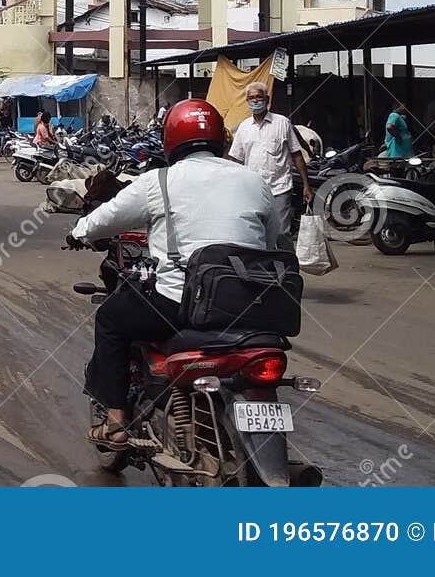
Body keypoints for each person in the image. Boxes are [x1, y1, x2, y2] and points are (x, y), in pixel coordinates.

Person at [71, 99, 281, 450]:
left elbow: (106, 219)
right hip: (251, 306)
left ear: (170, 140)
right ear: (220, 138)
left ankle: (116, 422)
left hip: (181, 303)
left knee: (110, 319)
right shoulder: (254, 180)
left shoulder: (158, 181)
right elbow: (272, 241)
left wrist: (79, 232)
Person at [227, 81, 310, 246]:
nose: (256, 101)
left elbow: (296, 155)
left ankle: (288, 268)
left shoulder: (282, 123)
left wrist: (306, 185)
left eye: (259, 97)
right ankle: (266, 268)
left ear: (267, 99)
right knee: (256, 233)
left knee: (281, 233)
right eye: (251, 98)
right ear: (247, 101)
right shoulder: (244, 128)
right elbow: (235, 159)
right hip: (253, 190)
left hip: (280, 188)